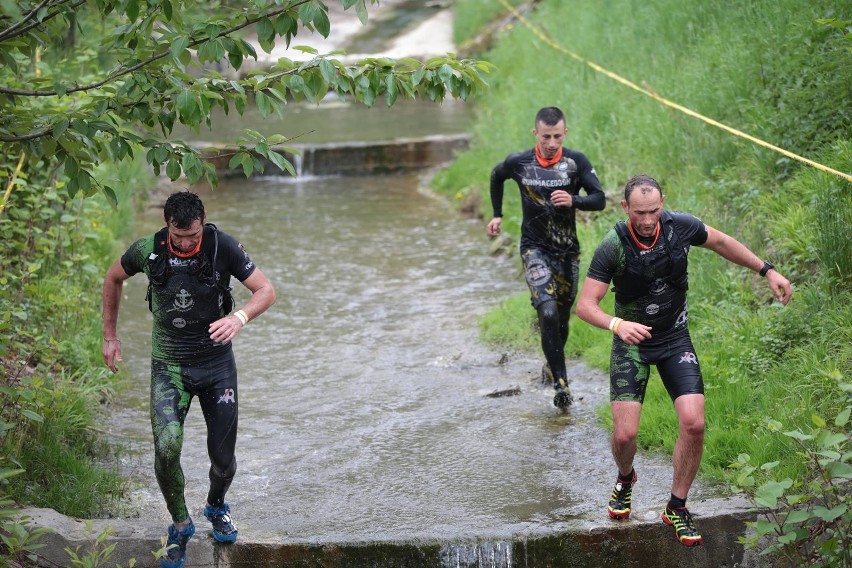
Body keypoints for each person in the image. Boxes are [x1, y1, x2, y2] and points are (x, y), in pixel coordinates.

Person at [575, 174, 792, 546]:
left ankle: (677, 506)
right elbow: (585, 305)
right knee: (625, 434)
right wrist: (617, 324)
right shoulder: (613, 245)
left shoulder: (680, 227)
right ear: (626, 208)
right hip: (632, 344)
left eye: (654, 211)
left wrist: (767, 270)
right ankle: (625, 477)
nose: (647, 220)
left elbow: (722, 242)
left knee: (694, 424)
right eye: (639, 212)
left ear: (663, 204)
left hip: (675, 338)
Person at [101, 191, 275, 568]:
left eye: (191, 237)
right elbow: (113, 277)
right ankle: (180, 523)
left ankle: (216, 506)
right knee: (166, 445)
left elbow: (266, 290)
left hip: (216, 367)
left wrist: (239, 318)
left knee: (224, 461)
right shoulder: (148, 250)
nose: (184, 245)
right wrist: (110, 336)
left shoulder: (222, 247)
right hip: (169, 366)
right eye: (177, 237)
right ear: (167, 225)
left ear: (203, 222)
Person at [487, 106, 606, 409]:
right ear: (535, 134)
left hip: (567, 252)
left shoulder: (576, 162)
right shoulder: (520, 162)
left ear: (565, 133)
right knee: (548, 312)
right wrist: (497, 215)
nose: (551, 142)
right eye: (545, 137)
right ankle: (561, 384)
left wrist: (574, 199)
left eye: (556, 136)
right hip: (534, 249)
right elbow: (496, 175)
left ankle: (551, 366)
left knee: (562, 320)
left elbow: (599, 199)